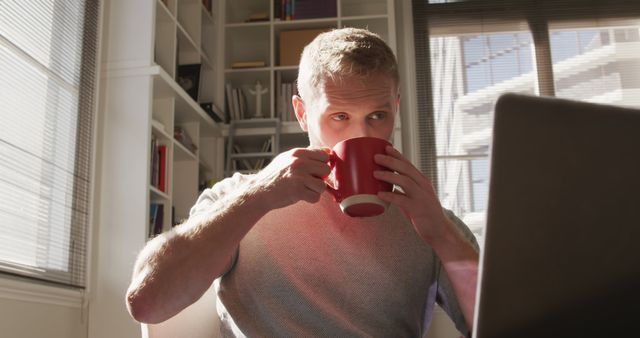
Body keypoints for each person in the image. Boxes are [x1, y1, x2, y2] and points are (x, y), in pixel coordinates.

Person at [126, 28, 479, 337]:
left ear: (396, 108)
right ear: (301, 112)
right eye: (339, 116)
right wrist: (257, 196)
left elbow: (501, 327)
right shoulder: (239, 197)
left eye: (378, 116)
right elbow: (146, 302)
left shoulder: (429, 218)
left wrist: (443, 234)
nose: (361, 133)